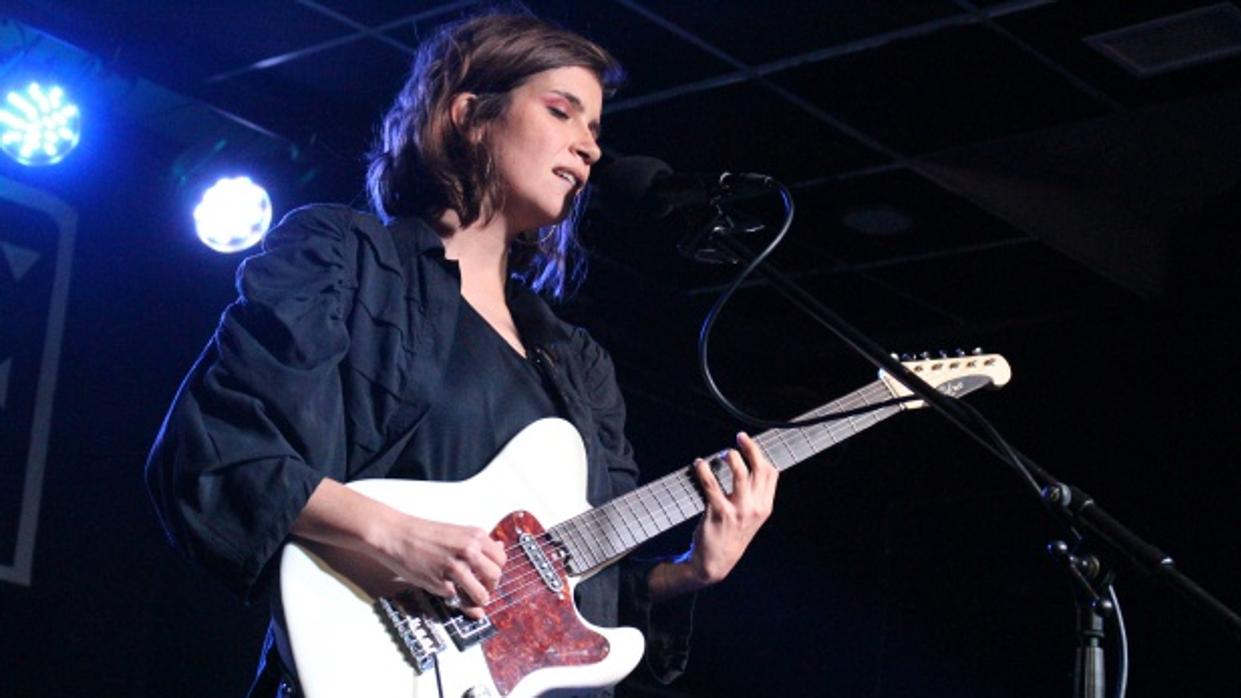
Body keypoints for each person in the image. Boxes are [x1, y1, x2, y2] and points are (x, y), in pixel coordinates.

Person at [145, 11, 777, 697]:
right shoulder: (344, 260)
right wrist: (398, 537)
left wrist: (689, 572)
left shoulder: (580, 364)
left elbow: (580, 592)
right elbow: (219, 454)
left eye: (595, 130)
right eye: (562, 112)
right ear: (470, 114)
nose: (589, 149)